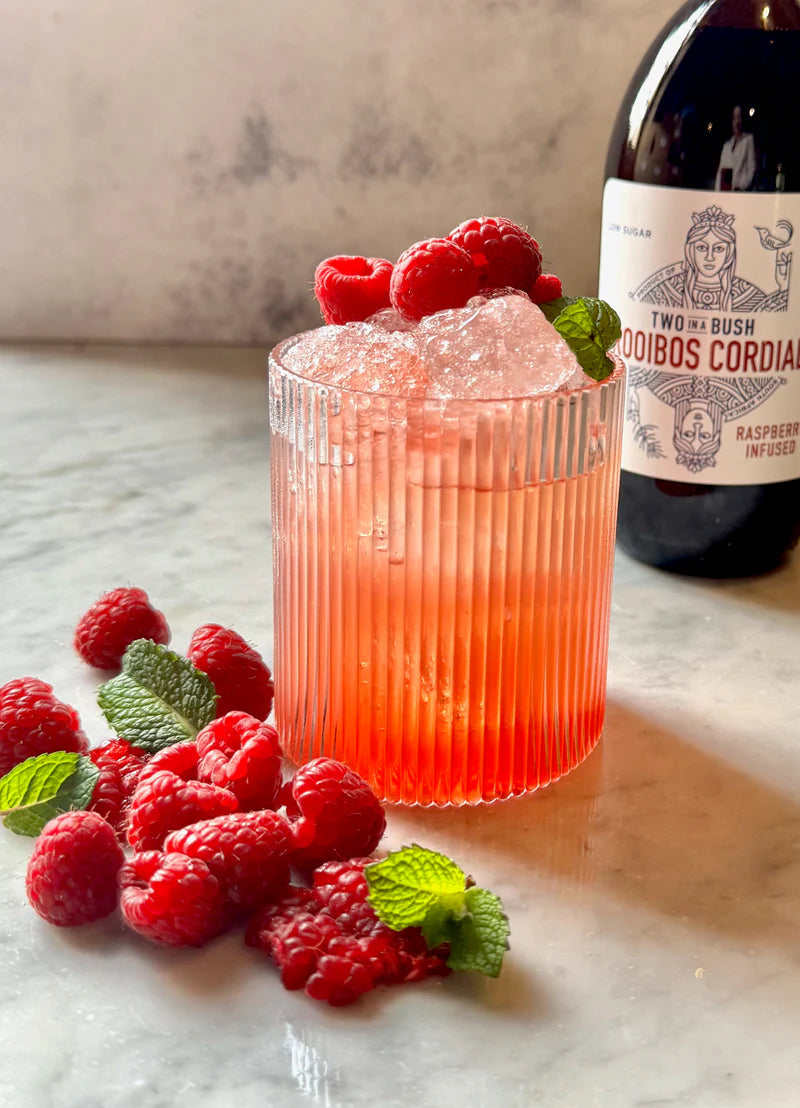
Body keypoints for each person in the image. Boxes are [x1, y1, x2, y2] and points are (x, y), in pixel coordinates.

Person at [715, 105, 756, 191]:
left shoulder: (748, 140)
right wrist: (717, 192)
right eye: (734, 118)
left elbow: (751, 169)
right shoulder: (727, 145)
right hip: (725, 194)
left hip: (740, 193)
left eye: (739, 118)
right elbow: (720, 173)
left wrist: (741, 187)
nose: (737, 122)